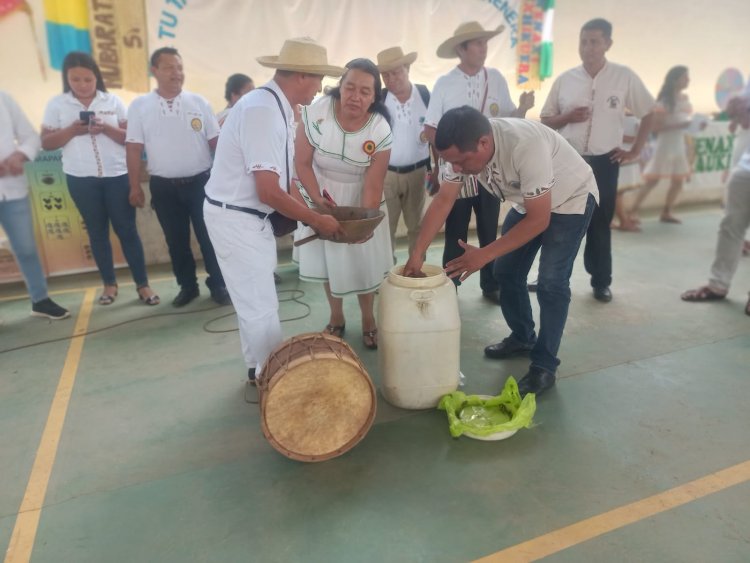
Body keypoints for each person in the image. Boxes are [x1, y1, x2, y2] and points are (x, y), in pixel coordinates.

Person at [404, 106, 598, 397]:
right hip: (530, 201)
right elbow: (444, 199)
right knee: (506, 271)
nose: (455, 169)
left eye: (459, 162)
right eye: (450, 162)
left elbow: (539, 220)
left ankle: (544, 366)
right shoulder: (461, 151)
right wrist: (417, 253)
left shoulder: (524, 145)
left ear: (483, 143)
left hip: (571, 199)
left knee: (551, 282)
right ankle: (523, 337)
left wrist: (483, 254)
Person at [204, 37, 344, 383]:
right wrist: (315, 220)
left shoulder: (278, 109)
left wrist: (315, 207)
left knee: (254, 302)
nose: (318, 90)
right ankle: (277, 385)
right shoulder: (263, 111)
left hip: (245, 217)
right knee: (261, 307)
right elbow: (268, 191)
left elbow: (285, 180)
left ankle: (258, 369)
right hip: (237, 218)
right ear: (301, 76)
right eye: (318, 81)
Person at [540, 18, 656, 303]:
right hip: (568, 161)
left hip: (605, 162)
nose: (588, 48)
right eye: (583, 41)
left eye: (594, 42)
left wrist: (635, 150)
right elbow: (545, 119)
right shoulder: (566, 79)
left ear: (608, 44)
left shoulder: (623, 76)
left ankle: (601, 281)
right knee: (557, 220)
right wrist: (567, 117)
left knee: (600, 223)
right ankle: (547, 277)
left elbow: (649, 111)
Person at [425, 21, 535, 305]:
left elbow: (510, 121)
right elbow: (432, 129)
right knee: (456, 233)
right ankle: (451, 286)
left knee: (489, 230)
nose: (484, 49)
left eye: (485, 43)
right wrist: (442, 165)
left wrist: (523, 107)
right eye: (478, 43)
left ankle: (491, 283)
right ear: (461, 49)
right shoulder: (445, 83)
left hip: (490, 169)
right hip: (458, 170)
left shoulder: (496, 78)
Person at [41, 52, 158, 307]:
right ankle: (109, 285)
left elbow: (131, 138)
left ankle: (143, 284)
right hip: (81, 179)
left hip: (117, 176)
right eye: (76, 80)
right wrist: (72, 130)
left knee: (127, 230)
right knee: (97, 233)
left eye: (87, 79)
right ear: (67, 79)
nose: (82, 84)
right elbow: (46, 143)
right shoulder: (57, 104)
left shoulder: (113, 101)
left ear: (97, 78)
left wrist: (105, 127)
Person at [295, 58, 393, 350]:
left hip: (361, 196)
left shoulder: (380, 129)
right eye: (349, 87)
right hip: (321, 192)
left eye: (365, 91)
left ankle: (368, 319)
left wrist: (363, 222)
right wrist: (319, 208)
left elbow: (373, 183)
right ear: (340, 87)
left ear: (374, 97)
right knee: (329, 260)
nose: (355, 96)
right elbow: (302, 164)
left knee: (363, 262)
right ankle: (336, 317)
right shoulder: (315, 114)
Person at [126, 47, 230, 307]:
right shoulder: (140, 106)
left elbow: (217, 142)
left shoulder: (199, 103)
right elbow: (134, 148)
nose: (177, 73)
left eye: (179, 67)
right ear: (155, 71)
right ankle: (188, 287)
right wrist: (134, 186)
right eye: (170, 67)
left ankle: (218, 284)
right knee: (176, 241)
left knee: (210, 238)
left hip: (201, 184)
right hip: (163, 188)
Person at [0, 91, 70, 320]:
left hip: (12, 189)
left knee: (26, 248)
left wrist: (19, 156)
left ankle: (40, 300)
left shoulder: (4, 99)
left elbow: (31, 137)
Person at [681, 87, 750, 316]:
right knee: (730, 226)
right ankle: (717, 285)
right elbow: (739, 115)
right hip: (745, 167)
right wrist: (736, 110)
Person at [376, 46, 432, 260]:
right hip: (386, 175)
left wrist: (437, 170)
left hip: (418, 173)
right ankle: (385, 272)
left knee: (417, 226)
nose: (391, 79)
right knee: (384, 227)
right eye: (386, 75)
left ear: (407, 68)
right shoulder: (379, 99)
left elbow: (436, 131)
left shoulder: (425, 95)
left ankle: (416, 268)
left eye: (396, 72)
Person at [628, 66, 696, 224]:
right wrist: (679, 126)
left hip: (679, 143)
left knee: (678, 180)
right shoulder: (664, 102)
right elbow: (655, 128)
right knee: (653, 180)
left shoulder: (684, 99)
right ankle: (632, 211)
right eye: (685, 77)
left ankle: (667, 211)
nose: (688, 80)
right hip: (665, 144)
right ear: (675, 79)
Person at [612, 112, 642, 232]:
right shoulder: (618, 116)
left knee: (618, 191)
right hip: (622, 155)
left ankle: (620, 218)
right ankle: (623, 220)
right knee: (618, 191)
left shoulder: (632, 117)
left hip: (625, 156)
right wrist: (636, 139)